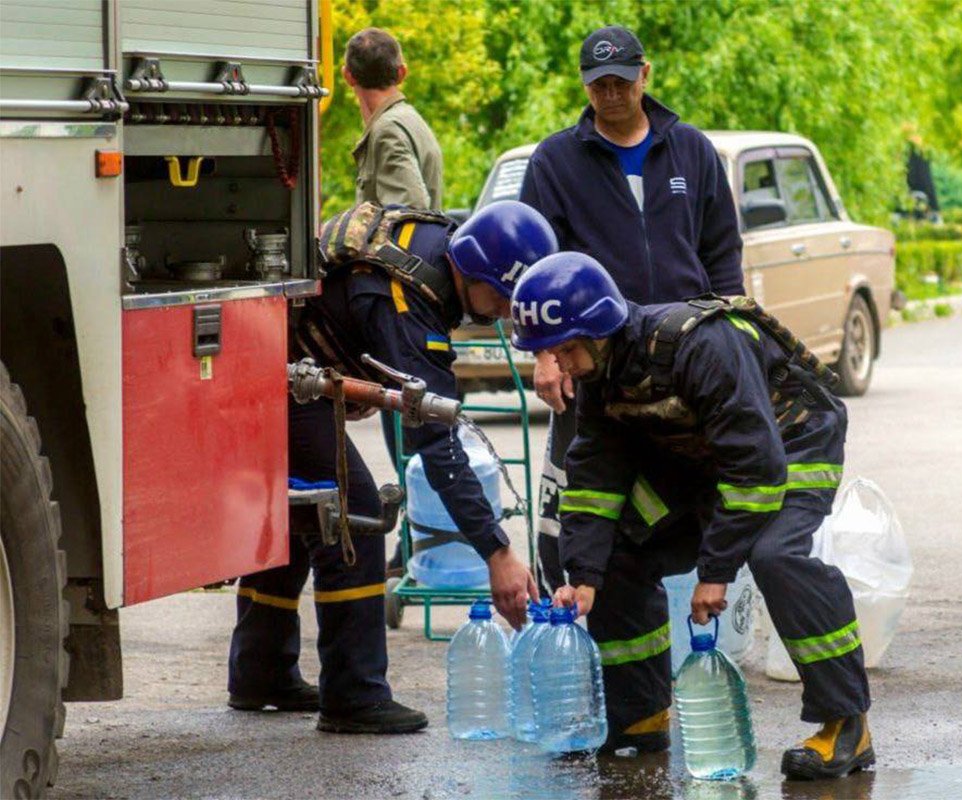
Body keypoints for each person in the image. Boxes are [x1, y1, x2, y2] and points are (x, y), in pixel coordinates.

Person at [508, 252, 874, 779]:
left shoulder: (702, 345)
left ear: (599, 329)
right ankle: (640, 715)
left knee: (775, 556)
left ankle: (846, 725)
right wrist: (584, 576)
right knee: (617, 554)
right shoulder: (602, 374)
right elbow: (593, 478)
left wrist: (716, 570)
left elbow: (755, 468)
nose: (558, 365)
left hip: (791, 442)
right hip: (705, 456)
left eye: (564, 349)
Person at [227, 201, 555, 734]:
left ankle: (260, 673)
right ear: (473, 270)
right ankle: (354, 695)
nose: (500, 312)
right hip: (280, 380)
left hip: (277, 365)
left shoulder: (439, 241)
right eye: (500, 297)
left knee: (301, 510)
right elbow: (436, 443)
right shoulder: (405, 298)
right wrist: (497, 552)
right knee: (352, 512)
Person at [518, 24, 744, 608]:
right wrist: (547, 353)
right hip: (595, 361)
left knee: (687, 489)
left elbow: (722, 250)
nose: (612, 94)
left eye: (622, 81)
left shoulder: (691, 149)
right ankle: (568, 604)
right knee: (585, 492)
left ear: (646, 74)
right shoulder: (556, 160)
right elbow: (538, 264)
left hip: (688, 357)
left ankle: (685, 607)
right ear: (585, 86)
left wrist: (737, 332)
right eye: (600, 85)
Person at [344, 27, 443, 210]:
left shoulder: (388, 130)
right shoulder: (410, 120)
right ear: (402, 73)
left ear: (348, 76)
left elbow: (410, 213)